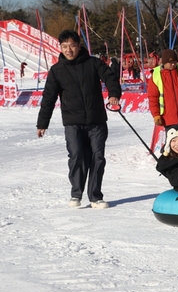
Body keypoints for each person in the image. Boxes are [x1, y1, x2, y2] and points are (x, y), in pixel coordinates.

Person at [36, 29, 122, 209]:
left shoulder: (93, 63)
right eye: (64, 46)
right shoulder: (57, 70)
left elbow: (110, 77)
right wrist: (42, 123)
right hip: (73, 122)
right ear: (60, 48)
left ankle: (95, 197)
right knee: (76, 155)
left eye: (72, 46)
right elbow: (49, 98)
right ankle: (76, 194)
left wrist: (114, 94)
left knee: (98, 157)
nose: (69, 50)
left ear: (79, 46)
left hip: (96, 120)